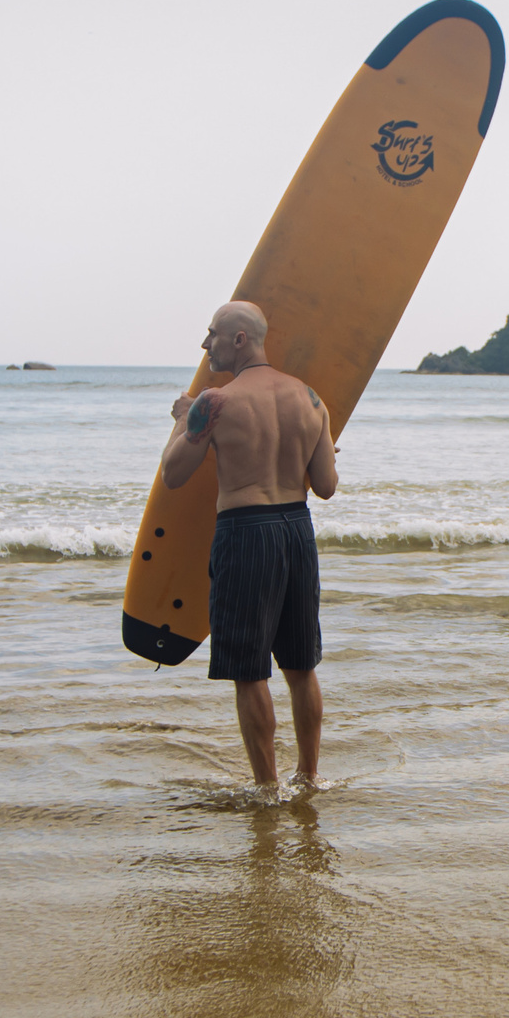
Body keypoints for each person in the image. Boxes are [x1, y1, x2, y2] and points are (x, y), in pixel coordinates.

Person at [161, 300, 339, 799]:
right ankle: (309, 778)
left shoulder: (213, 403)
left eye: (212, 334)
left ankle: (268, 791)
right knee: (301, 667)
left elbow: (173, 476)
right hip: (297, 530)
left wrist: (181, 419)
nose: (205, 344)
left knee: (249, 670)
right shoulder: (311, 398)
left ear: (239, 340)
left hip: (245, 531)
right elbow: (325, 485)